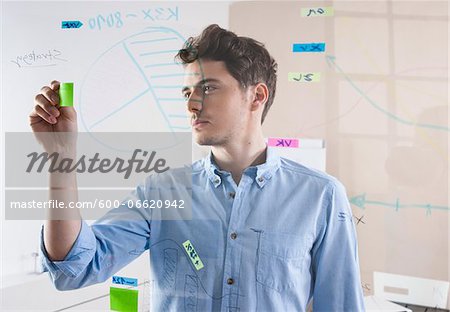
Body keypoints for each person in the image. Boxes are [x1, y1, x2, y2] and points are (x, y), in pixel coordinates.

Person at [30, 24, 365, 311]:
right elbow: (74, 268)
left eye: (208, 88)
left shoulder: (321, 196)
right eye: (187, 91)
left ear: (256, 96)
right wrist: (61, 156)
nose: (191, 104)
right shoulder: (161, 193)